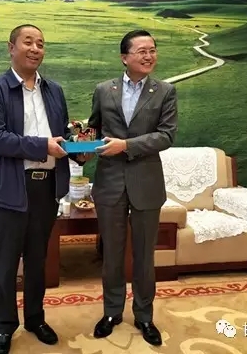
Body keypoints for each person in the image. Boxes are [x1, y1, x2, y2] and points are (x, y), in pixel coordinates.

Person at [0, 24, 84, 354]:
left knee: (38, 260)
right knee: (6, 263)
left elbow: (62, 134)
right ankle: (4, 327)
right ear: (11, 47)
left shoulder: (54, 90)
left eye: (41, 43)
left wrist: (79, 147)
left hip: (46, 188)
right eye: (28, 42)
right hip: (9, 189)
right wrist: (42, 146)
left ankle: (35, 319)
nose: (35, 48)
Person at [86, 29, 178, 346]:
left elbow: (166, 136)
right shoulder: (103, 90)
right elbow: (94, 128)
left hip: (146, 184)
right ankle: (112, 313)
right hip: (110, 183)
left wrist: (126, 145)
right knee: (111, 255)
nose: (149, 56)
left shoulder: (165, 91)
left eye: (152, 50)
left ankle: (144, 316)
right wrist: (81, 146)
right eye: (142, 51)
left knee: (144, 256)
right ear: (124, 57)